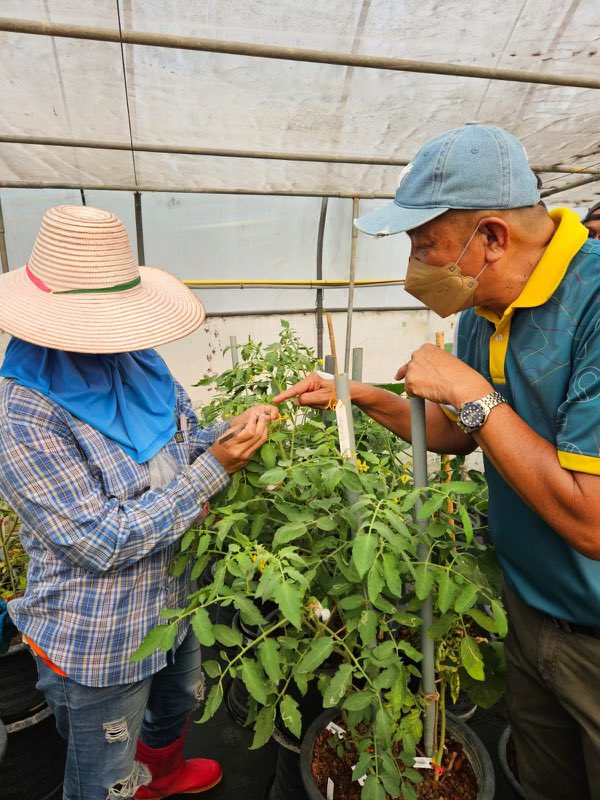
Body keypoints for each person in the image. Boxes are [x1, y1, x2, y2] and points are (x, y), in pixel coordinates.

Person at [274, 123, 600, 800]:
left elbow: (592, 522)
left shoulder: (593, 304)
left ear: (492, 237)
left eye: (426, 243)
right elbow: (460, 433)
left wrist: (475, 395)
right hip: (532, 611)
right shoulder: (482, 304)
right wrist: (358, 394)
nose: (416, 261)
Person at [0, 205, 278, 800]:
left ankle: (165, 776)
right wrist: (212, 472)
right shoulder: (24, 412)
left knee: (176, 701)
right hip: (99, 634)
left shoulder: (140, 364)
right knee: (102, 773)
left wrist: (233, 433)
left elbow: (186, 441)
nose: (115, 339)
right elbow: (100, 539)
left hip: (174, 601)